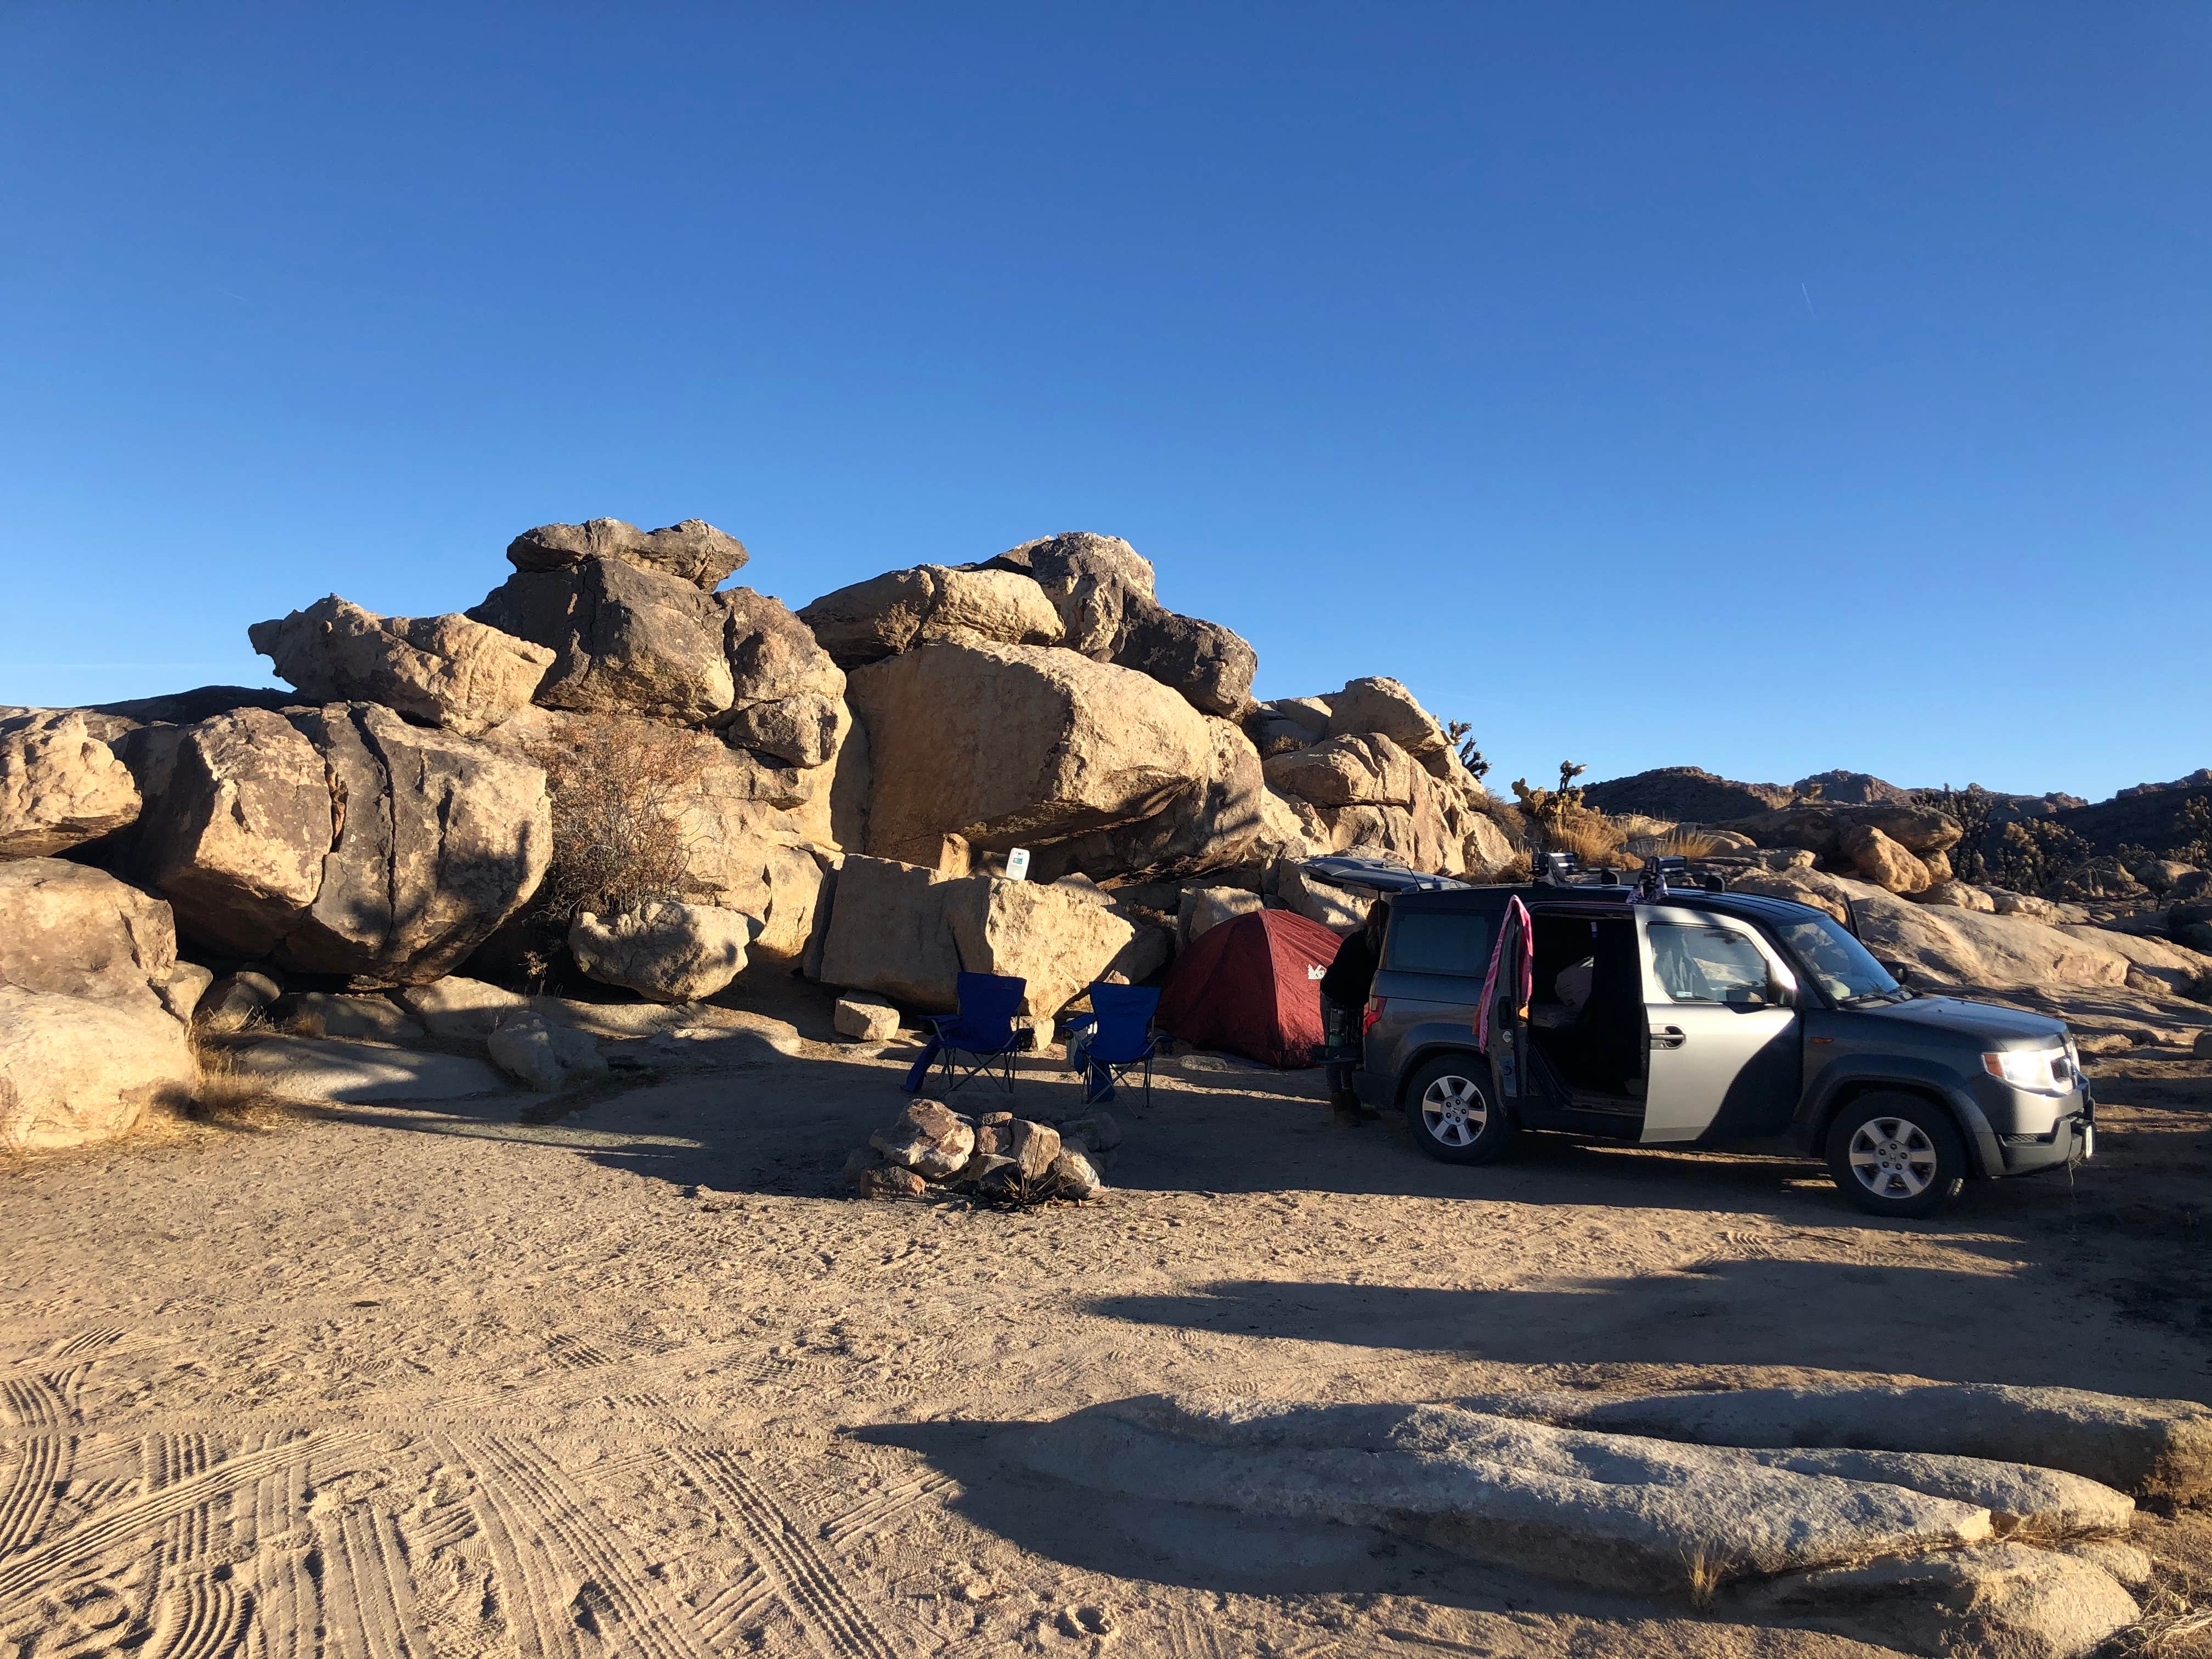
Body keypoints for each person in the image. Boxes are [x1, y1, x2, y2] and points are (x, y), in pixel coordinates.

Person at [1318, 900, 1389, 1124]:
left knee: (1351, 1048)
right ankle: (1339, 1106)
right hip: (1336, 998)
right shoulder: (1358, 943)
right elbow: (1358, 978)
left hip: (1353, 1001)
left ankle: (1352, 1102)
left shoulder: (1377, 946)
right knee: (1335, 1048)